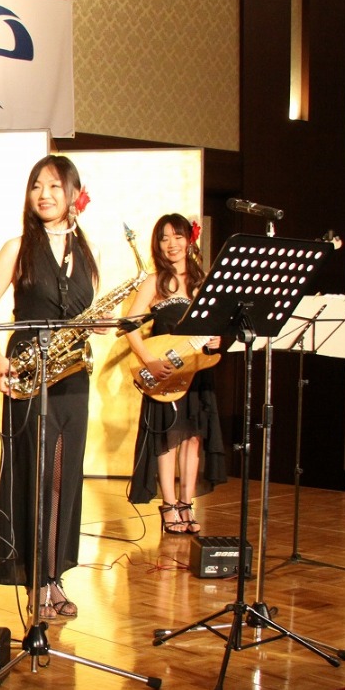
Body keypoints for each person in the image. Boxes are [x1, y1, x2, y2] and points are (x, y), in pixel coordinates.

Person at [0, 155, 100, 622]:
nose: (44, 195)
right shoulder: (17, 248)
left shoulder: (89, 251)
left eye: (54, 186)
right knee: (35, 474)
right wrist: (0, 362)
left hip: (74, 373)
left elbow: (86, 312)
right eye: (36, 186)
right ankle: (34, 580)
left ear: (74, 194)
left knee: (65, 478)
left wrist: (100, 324)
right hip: (29, 370)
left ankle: (55, 576)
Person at [121, 213, 228, 533]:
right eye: (164, 238)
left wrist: (217, 339)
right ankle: (168, 506)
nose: (172, 244)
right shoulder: (154, 282)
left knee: (193, 439)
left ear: (189, 240)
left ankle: (186, 504)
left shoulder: (203, 281)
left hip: (196, 369)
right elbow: (128, 326)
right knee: (168, 438)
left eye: (178, 236)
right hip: (165, 371)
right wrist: (149, 361)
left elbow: (214, 326)